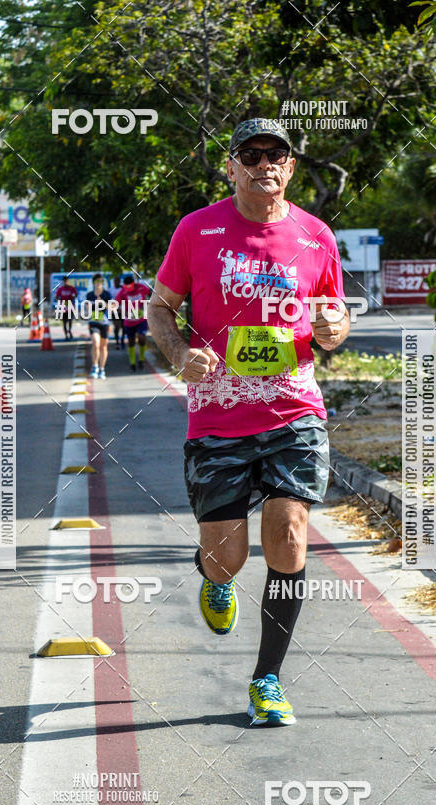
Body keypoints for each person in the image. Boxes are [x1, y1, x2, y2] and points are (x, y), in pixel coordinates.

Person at [148, 118, 350, 726]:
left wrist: (336, 328)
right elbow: (161, 307)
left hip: (294, 410)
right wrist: (181, 353)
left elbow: (331, 313)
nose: (265, 163)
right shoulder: (197, 229)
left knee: (289, 535)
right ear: (231, 166)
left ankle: (268, 679)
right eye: (251, 154)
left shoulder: (316, 236)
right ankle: (214, 577)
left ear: (290, 167)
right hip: (217, 417)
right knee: (225, 556)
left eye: (277, 154)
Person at [117, 274, 151, 372]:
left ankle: (141, 359)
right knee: (131, 342)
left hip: (141, 319)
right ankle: (132, 362)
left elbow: (151, 294)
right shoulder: (123, 291)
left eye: (130, 287)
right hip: (129, 321)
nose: (129, 289)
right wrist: (122, 311)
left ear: (134, 284)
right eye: (126, 287)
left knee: (142, 338)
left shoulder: (141, 287)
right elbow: (116, 304)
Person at [86, 274, 112, 378]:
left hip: (105, 323)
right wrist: (94, 305)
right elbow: (87, 308)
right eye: (96, 282)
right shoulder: (90, 295)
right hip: (94, 322)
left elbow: (112, 307)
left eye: (100, 282)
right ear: (93, 283)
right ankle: (95, 366)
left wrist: (103, 303)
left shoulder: (107, 294)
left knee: (103, 346)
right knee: (96, 343)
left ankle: (102, 369)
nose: (98, 284)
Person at [54, 275, 78, 340]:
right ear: (63, 281)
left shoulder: (72, 288)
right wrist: (58, 298)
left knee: (70, 321)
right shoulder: (60, 289)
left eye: (66, 281)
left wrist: (73, 296)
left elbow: (76, 294)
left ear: (68, 281)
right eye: (64, 281)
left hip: (70, 307)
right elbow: (56, 297)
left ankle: (69, 331)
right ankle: (66, 335)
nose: (65, 282)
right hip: (63, 307)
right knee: (64, 322)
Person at [109, 276, 124, 350]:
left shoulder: (123, 288)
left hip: (123, 310)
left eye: (118, 281)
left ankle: (122, 340)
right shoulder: (111, 289)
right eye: (115, 281)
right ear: (113, 282)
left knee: (124, 327)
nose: (116, 283)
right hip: (114, 310)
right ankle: (117, 342)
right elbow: (109, 300)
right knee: (116, 327)